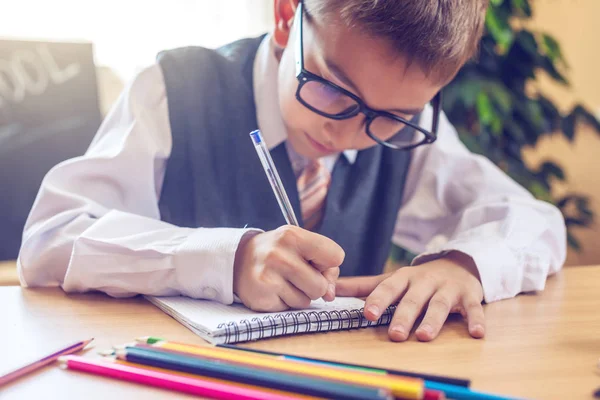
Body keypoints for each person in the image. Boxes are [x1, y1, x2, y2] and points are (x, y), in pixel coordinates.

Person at [17, 0, 566, 342]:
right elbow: (49, 239)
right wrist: (226, 261)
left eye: (393, 117)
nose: (345, 134)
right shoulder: (172, 90)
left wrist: (463, 264)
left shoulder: (402, 130)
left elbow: (535, 220)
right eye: (330, 87)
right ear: (285, 16)